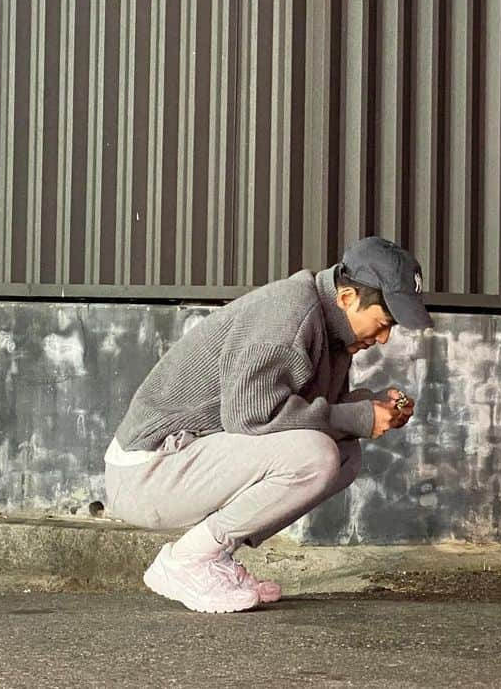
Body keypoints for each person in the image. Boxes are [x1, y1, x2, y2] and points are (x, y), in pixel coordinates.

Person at [103, 236, 432, 613]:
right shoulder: (289, 315)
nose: (384, 338)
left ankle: (213, 556)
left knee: (344, 455)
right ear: (347, 298)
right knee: (317, 455)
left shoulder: (334, 332)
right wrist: (356, 417)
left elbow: (307, 412)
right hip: (146, 471)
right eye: (383, 323)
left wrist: (369, 406)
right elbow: (253, 417)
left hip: (190, 460)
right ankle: (186, 562)